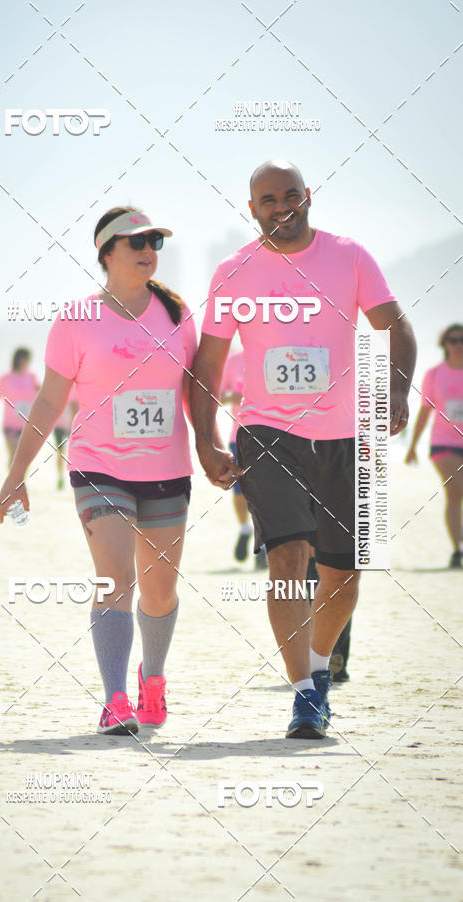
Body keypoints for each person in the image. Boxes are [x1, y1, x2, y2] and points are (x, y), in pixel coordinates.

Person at [191, 159, 416, 739]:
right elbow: (208, 364)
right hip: (269, 434)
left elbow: (395, 326)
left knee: (344, 576)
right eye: (268, 199)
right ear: (252, 208)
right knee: (288, 563)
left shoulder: (350, 256)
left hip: (346, 437)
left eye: (291, 195)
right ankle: (306, 694)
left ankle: (316, 667)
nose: (281, 206)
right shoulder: (234, 271)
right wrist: (207, 438)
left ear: (308, 197)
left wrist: (394, 389)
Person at [0, 206, 200, 735]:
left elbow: (197, 392)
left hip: (166, 469)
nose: (148, 249)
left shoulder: (178, 316)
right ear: (106, 251)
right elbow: (48, 402)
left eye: (155, 240)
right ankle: (114, 699)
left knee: (159, 590)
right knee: (116, 578)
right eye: (135, 242)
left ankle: (151, 680)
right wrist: (17, 475)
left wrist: (216, 447)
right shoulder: (76, 319)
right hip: (98, 466)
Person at [405, 323, 463, 568]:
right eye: (453, 339)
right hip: (443, 444)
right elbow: (425, 411)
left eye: (462, 340)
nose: (458, 344)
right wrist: (412, 446)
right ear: (445, 344)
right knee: (456, 492)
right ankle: (457, 550)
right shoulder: (434, 374)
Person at [220, 350, 267, 567]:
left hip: (270, 434)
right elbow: (219, 395)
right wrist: (233, 396)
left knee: (263, 493)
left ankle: (263, 544)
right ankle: (245, 530)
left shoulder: (274, 353)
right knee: (240, 494)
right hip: (238, 436)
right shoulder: (234, 360)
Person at [0, 348, 40, 465]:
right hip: (10, 425)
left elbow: (42, 398)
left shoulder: (32, 377)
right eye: (24, 359)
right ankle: (15, 482)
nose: (26, 362)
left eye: (28, 360)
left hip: (27, 425)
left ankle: (17, 481)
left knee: (23, 459)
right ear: (18, 359)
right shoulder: (5, 378)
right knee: (14, 456)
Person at [53, 386, 79, 490]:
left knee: (60, 452)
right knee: (66, 453)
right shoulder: (74, 386)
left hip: (60, 424)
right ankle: (61, 477)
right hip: (66, 425)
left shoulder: (59, 386)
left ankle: (60, 477)